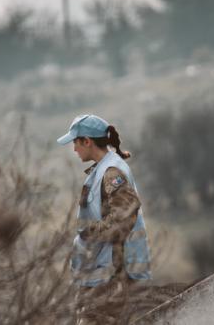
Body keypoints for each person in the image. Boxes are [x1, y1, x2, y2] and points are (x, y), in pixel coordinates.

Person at [57, 114, 151, 324]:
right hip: (100, 273)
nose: (74, 149)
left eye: (75, 143)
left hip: (107, 277)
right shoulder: (104, 169)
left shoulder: (111, 172)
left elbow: (123, 217)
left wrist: (90, 234)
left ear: (87, 141)